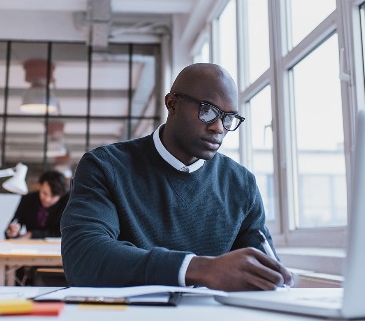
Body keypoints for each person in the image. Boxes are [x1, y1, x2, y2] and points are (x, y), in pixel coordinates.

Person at [61, 63, 293, 291]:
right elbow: (83, 257)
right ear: (172, 104)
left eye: (228, 118)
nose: (219, 128)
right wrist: (199, 268)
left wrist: (277, 280)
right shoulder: (105, 166)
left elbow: (267, 273)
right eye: (207, 111)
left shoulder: (241, 184)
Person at [5, 170, 69, 239]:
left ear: (61, 195)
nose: (47, 199)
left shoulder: (67, 202)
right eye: (44, 193)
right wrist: (13, 232)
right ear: (40, 186)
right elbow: (13, 225)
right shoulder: (27, 199)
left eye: (53, 196)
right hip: (30, 247)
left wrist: (32, 234)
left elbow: (66, 232)